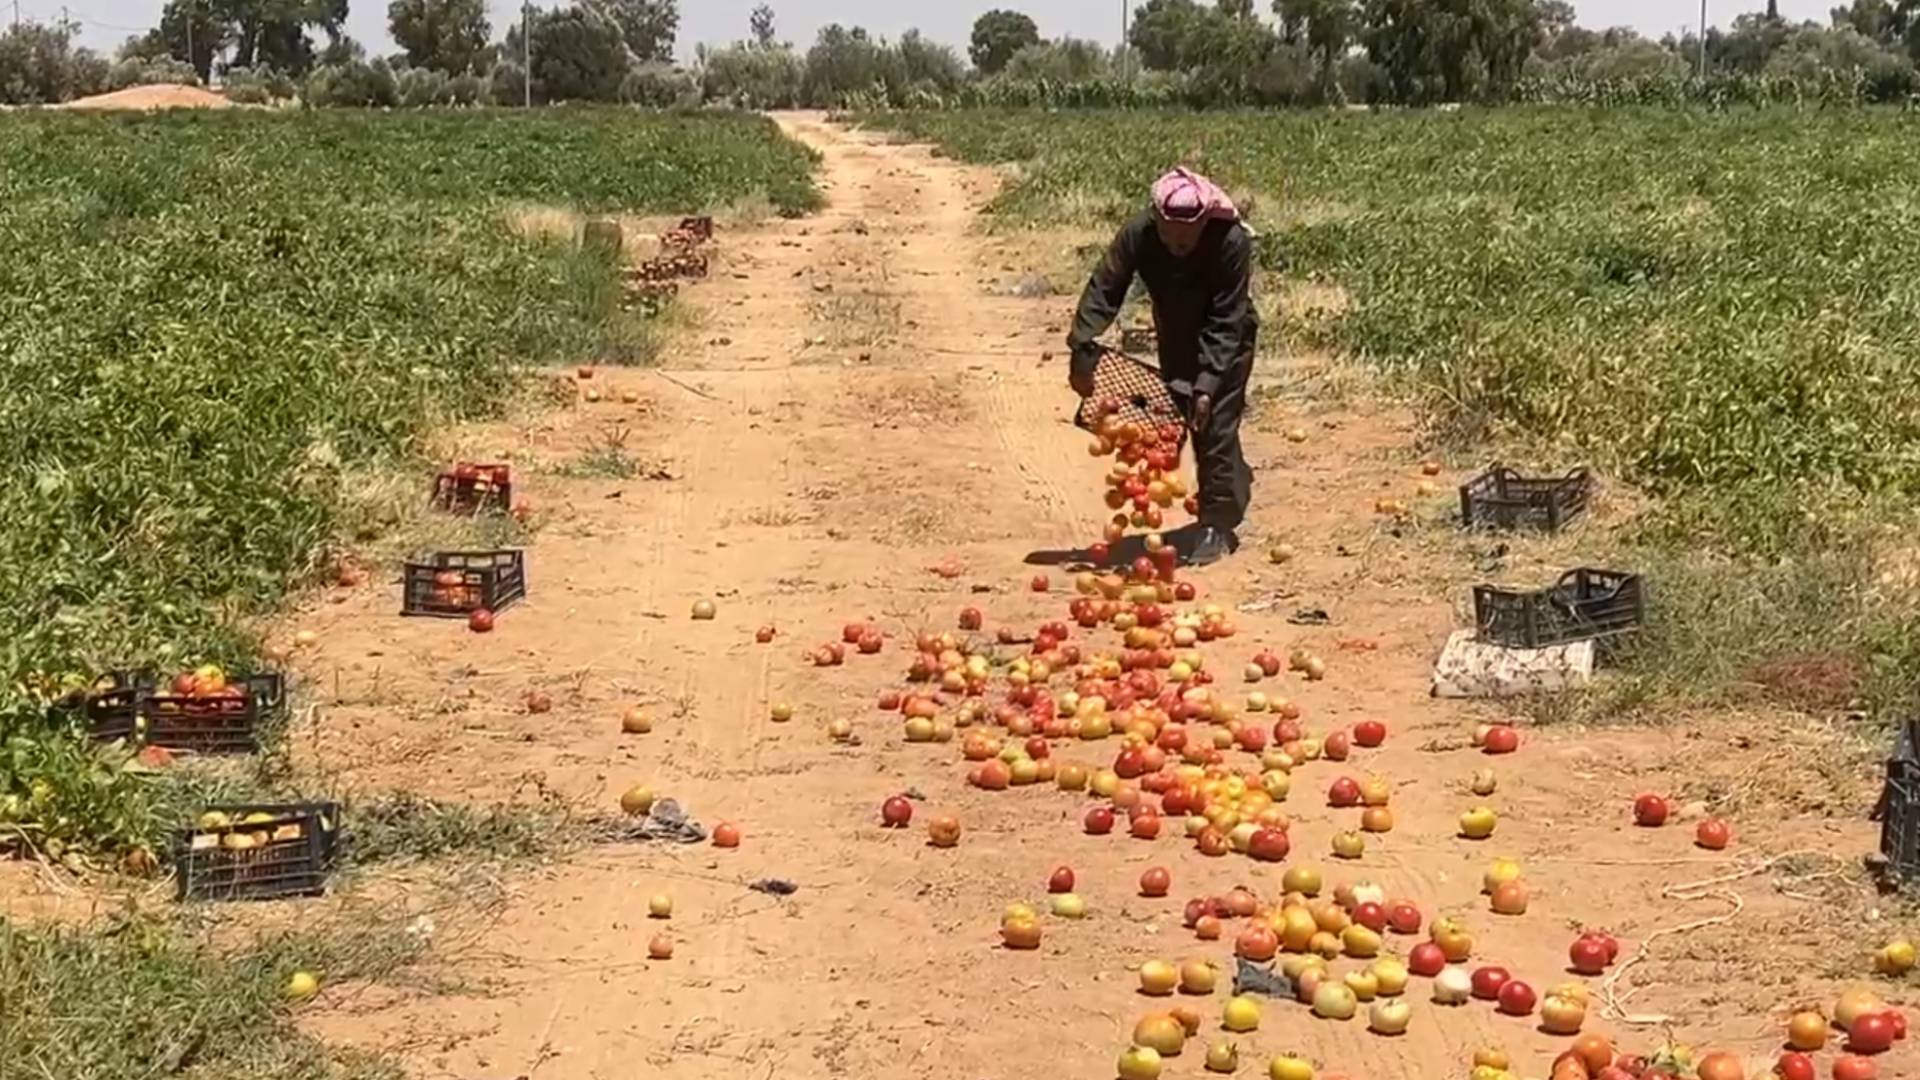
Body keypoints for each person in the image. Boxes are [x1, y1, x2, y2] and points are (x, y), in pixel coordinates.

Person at [1066, 167, 1258, 567]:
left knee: (1215, 421)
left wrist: (1207, 383)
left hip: (1228, 337)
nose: (1176, 245)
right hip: (1175, 334)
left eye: (1186, 239)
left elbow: (1227, 319)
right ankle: (1234, 483)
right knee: (1187, 417)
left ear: (1205, 222)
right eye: (1169, 235)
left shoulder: (1230, 242)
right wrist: (1082, 342)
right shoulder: (1140, 232)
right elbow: (1107, 285)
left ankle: (1216, 523)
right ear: (1157, 220)